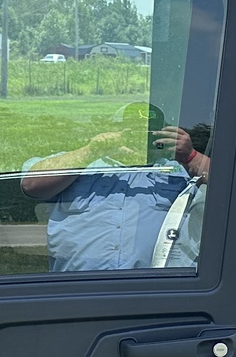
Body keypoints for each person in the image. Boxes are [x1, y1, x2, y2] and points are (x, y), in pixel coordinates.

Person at [20, 103, 212, 272]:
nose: (139, 139)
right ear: (111, 131)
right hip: (76, 288)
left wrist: (190, 156)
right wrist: (92, 150)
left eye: (148, 132)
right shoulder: (80, 163)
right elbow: (31, 185)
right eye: (130, 132)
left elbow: (230, 190)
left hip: (155, 290)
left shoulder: (176, 169)